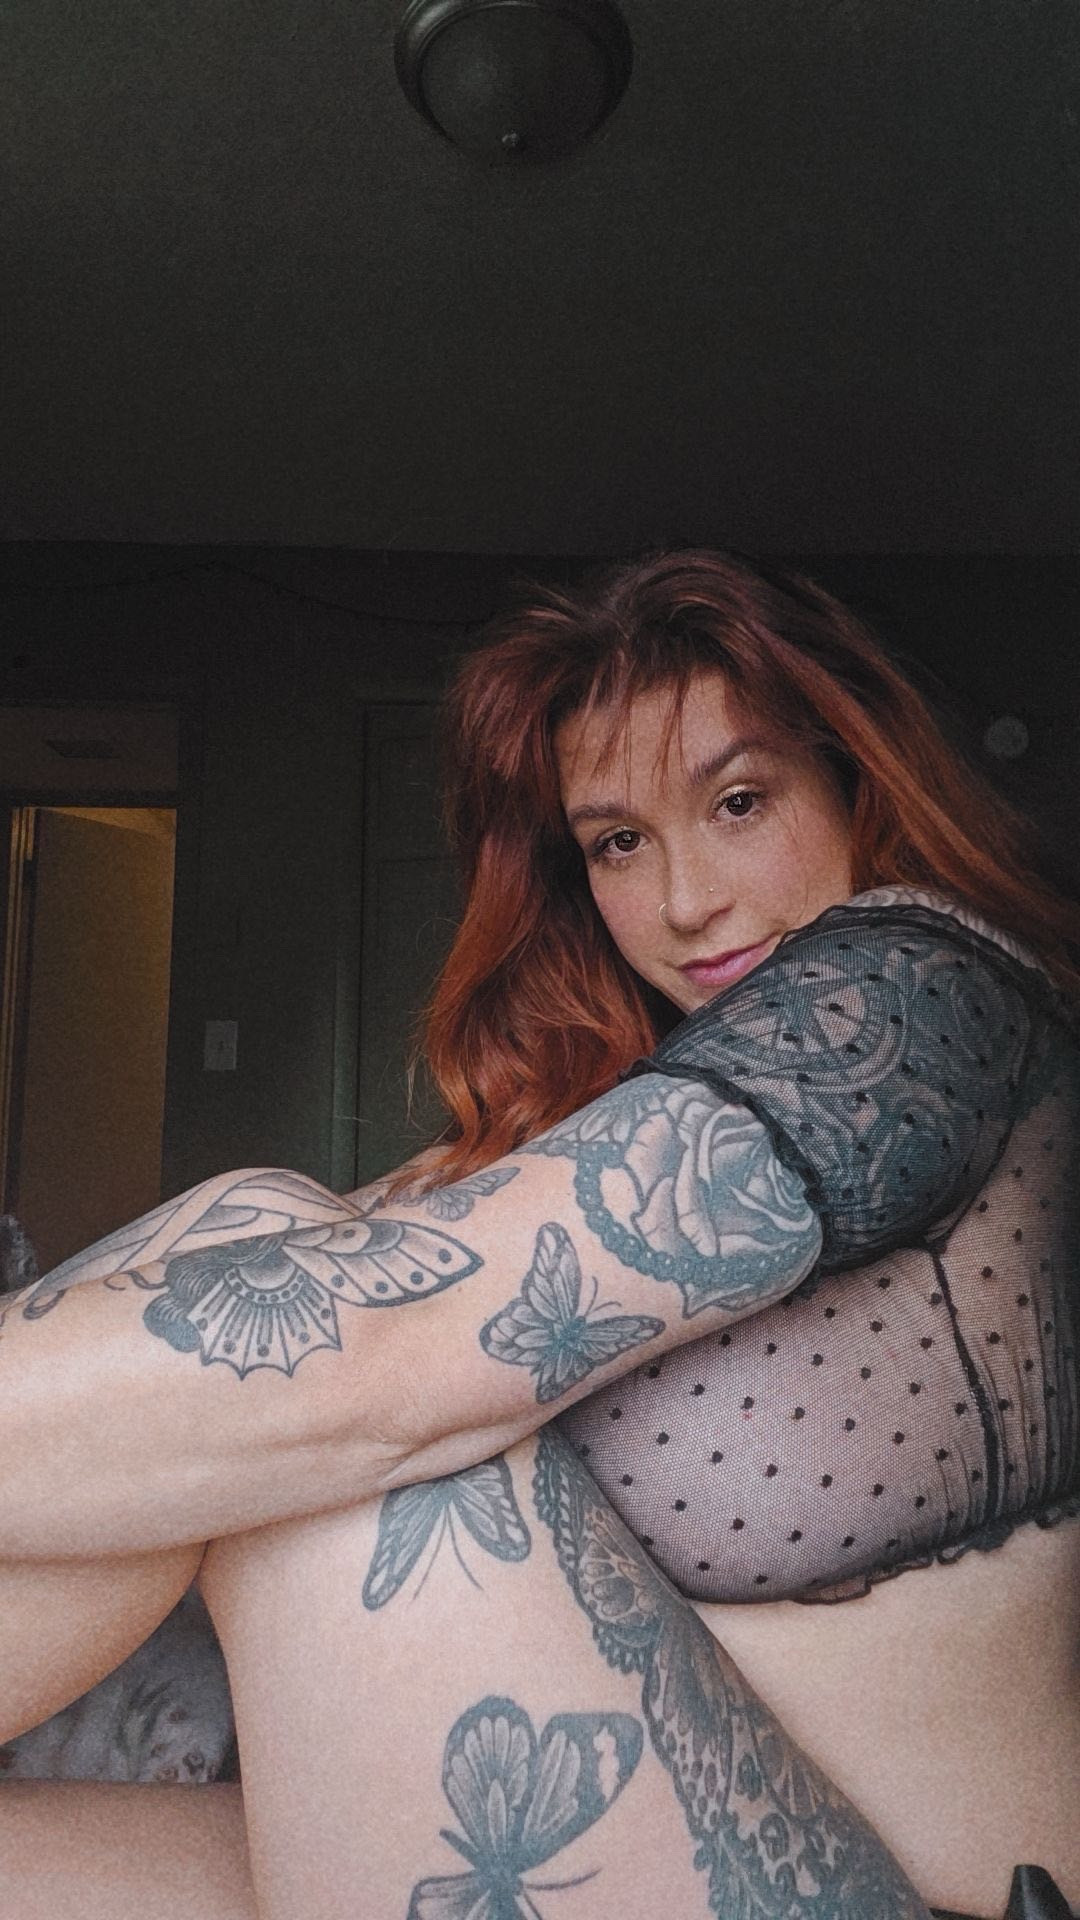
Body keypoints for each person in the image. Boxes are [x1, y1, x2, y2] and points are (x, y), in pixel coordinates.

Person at [0, 551, 1077, 1920]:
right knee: (264, 1248)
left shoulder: (918, 1000)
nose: (684, 899)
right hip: (592, 1842)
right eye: (619, 842)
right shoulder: (648, 1101)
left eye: (739, 802)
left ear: (856, 785)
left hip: (892, 1892)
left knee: (321, 1351)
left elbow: (377, 1337)